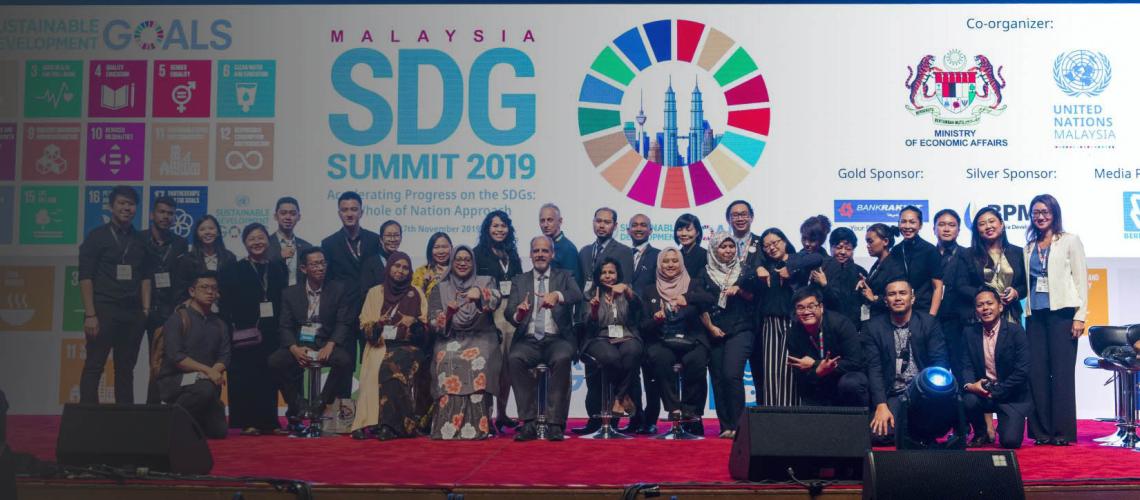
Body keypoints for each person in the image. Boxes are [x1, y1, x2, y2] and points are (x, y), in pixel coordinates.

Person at [268, 247, 354, 434]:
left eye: (323, 263)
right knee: (275, 361)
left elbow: (343, 322)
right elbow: (284, 326)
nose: (320, 268)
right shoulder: (290, 293)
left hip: (325, 342)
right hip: (301, 343)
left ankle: (321, 402)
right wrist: (294, 348)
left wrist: (331, 345)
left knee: (345, 361)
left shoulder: (338, 289)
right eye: (314, 264)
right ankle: (298, 403)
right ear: (303, 268)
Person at [1024, 194, 1087, 446]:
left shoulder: (1070, 241)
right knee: (1037, 374)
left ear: (1054, 214)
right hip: (1035, 317)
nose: (1040, 217)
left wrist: (1079, 316)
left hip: (1062, 316)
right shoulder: (1029, 246)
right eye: (1036, 212)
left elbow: (1081, 280)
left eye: (1045, 212)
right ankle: (1041, 432)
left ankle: (1061, 433)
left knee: (1061, 375)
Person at [78, 185, 150, 404]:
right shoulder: (96, 236)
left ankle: (124, 416)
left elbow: (146, 276)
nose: (126, 208)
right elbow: (85, 277)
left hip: (132, 313)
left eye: (131, 204)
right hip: (104, 309)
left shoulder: (141, 239)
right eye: (121, 203)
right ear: (111, 206)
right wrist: (90, 314)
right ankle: (89, 416)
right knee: (94, 365)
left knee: (125, 369)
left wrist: (145, 310)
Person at [507, 236, 584, 441]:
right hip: (528, 339)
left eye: (544, 251)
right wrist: (519, 314)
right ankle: (528, 422)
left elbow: (577, 295)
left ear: (552, 254)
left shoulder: (565, 276)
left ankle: (555, 423)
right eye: (536, 251)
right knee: (515, 358)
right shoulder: (519, 280)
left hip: (557, 338)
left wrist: (557, 295)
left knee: (562, 358)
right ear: (530, 254)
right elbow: (509, 312)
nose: (540, 255)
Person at [218, 223, 289, 436]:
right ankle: (247, 422)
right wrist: (231, 329)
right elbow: (226, 303)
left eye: (261, 238)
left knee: (269, 376)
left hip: (271, 331)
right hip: (244, 332)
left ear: (268, 240)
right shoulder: (234, 268)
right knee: (246, 377)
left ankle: (270, 421)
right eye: (251, 239)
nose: (257, 242)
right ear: (244, 243)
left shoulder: (278, 267)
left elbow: (283, 299)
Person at [427, 245, 502, 440]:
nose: (462, 263)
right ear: (452, 263)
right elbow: (433, 322)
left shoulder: (486, 281)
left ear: (473, 263)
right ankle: (446, 428)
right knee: (446, 359)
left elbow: (496, 299)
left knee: (479, 360)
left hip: (481, 335)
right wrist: (448, 314)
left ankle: (478, 426)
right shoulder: (440, 288)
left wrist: (479, 293)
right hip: (450, 336)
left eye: (467, 259)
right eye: (458, 259)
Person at [864, 279, 949, 443]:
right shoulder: (873, 327)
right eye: (892, 294)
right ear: (885, 301)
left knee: (931, 430)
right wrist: (881, 405)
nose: (897, 298)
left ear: (912, 298)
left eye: (902, 293)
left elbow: (940, 362)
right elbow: (874, 369)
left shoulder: (928, 323)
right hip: (895, 394)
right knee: (878, 435)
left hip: (924, 393)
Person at [356, 251, 429, 440]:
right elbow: (364, 328)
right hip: (378, 346)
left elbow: (426, 330)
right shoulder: (375, 292)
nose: (400, 271)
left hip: (409, 347)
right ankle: (378, 422)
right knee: (380, 365)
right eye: (397, 266)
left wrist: (413, 322)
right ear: (389, 268)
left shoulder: (416, 293)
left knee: (391, 366)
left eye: (405, 268)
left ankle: (390, 425)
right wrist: (379, 323)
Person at [574, 207, 635, 435]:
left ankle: (614, 416)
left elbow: (625, 284)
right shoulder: (584, 251)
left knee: (616, 361)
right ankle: (594, 419)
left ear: (615, 226)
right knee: (592, 374)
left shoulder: (624, 251)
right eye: (598, 221)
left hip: (616, 319)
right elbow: (582, 286)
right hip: (589, 319)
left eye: (607, 222)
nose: (601, 225)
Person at [642, 248, 714, 434]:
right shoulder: (650, 289)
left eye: (675, 261)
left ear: (681, 263)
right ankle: (674, 409)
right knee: (659, 358)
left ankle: (691, 412)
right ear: (659, 264)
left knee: (696, 360)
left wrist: (687, 298)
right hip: (662, 339)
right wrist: (656, 319)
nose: (670, 265)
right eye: (666, 261)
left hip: (692, 337)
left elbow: (709, 299)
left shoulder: (693, 284)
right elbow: (643, 325)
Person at [750, 228, 823, 406]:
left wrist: (790, 268)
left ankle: (791, 413)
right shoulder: (764, 265)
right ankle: (773, 411)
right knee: (771, 371)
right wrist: (759, 268)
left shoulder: (797, 259)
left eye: (775, 242)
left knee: (790, 368)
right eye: (767, 245)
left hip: (793, 322)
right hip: (769, 323)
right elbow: (746, 275)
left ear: (784, 241)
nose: (771, 247)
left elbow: (817, 258)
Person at [698, 231, 760, 438]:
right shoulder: (705, 272)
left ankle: (740, 426)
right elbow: (700, 305)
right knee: (717, 377)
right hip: (714, 331)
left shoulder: (745, 270)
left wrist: (739, 290)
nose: (728, 250)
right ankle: (726, 426)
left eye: (731, 246)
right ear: (714, 249)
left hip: (741, 328)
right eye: (723, 247)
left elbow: (755, 298)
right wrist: (710, 328)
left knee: (731, 374)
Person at [154, 271, 229, 439]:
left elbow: (224, 357)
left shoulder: (220, 324)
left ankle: (194, 420)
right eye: (204, 287)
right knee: (204, 389)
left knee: (219, 432)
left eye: (214, 288)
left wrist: (213, 371)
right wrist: (208, 371)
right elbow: (176, 357)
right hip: (176, 380)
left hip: (207, 382)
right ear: (192, 291)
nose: (210, 292)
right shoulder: (178, 319)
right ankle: (170, 422)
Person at [321, 191, 379, 397]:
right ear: (339, 213)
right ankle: (342, 409)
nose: (349, 214)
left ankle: (369, 408)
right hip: (343, 312)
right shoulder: (328, 243)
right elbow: (327, 281)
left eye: (354, 209)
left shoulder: (374, 240)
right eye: (345, 210)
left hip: (369, 311)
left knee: (371, 360)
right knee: (344, 362)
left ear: (361, 212)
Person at [961, 287, 1032, 449]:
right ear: (976, 310)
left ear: (1000, 307)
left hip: (1010, 394)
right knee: (967, 399)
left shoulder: (1016, 331)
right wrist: (971, 385)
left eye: (989, 303)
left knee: (1010, 442)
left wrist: (997, 391)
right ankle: (981, 432)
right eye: (980, 305)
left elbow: (1022, 371)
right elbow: (966, 365)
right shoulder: (969, 333)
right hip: (983, 392)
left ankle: (1005, 424)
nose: (985, 308)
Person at [472, 210, 523, 433]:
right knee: (491, 367)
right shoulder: (477, 254)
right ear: (487, 228)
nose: (499, 230)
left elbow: (520, 282)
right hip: (489, 314)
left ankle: (502, 414)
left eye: (503, 226)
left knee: (508, 369)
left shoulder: (512, 253)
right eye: (495, 226)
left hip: (511, 313)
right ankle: (487, 416)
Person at [583, 258, 644, 422]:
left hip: (626, 334)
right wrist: (594, 311)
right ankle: (624, 396)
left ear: (618, 274)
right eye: (603, 272)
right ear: (598, 275)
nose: (608, 276)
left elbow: (639, 309)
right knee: (611, 357)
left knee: (632, 353)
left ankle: (618, 399)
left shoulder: (626, 289)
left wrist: (627, 291)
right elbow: (588, 325)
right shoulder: (591, 293)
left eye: (611, 272)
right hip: (599, 337)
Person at [141, 195, 189, 403]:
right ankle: (125, 412)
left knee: (160, 363)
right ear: (152, 214)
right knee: (126, 363)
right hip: (138, 309)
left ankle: (155, 408)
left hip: (167, 311)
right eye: (162, 212)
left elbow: (181, 279)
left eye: (170, 213)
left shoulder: (180, 243)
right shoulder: (138, 239)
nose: (166, 217)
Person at [785, 287, 868, 407]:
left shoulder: (841, 324)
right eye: (800, 308)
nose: (806, 312)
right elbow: (799, 374)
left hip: (845, 377)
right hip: (818, 381)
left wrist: (815, 364)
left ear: (821, 307)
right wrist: (817, 371)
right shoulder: (793, 333)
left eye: (811, 306)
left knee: (850, 383)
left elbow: (855, 362)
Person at [623, 213, 661, 434]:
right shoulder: (622, 255)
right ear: (628, 230)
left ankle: (651, 419)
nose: (638, 228)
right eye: (634, 225)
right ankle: (635, 417)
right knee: (630, 371)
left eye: (643, 225)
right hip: (626, 322)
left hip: (650, 322)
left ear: (650, 230)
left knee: (651, 372)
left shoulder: (658, 256)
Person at [962, 207, 1027, 323]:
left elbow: (1026, 284)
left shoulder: (1018, 252)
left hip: (1011, 314)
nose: (988, 226)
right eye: (982, 224)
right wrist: (986, 295)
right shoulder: (968, 254)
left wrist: (1016, 293)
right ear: (977, 230)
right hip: (980, 316)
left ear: (1001, 224)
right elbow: (962, 286)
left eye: (992, 221)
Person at [931, 209, 973, 377]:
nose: (946, 229)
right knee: (934, 372)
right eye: (941, 224)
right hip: (931, 322)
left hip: (960, 324)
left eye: (951, 225)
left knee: (961, 371)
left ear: (959, 230)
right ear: (934, 229)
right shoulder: (926, 254)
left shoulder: (969, 255)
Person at [894, 206, 944, 316]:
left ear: (920, 225)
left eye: (912, 222)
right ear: (898, 224)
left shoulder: (930, 250)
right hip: (899, 312)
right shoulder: (895, 250)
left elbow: (938, 287)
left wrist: (931, 317)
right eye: (903, 222)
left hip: (923, 311)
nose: (907, 226)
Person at [174, 215, 237, 302]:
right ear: (197, 234)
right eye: (202, 229)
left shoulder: (229, 257)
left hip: (224, 307)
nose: (207, 232)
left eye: (211, 228)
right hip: (196, 307)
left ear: (218, 232)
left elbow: (234, 288)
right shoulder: (187, 259)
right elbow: (180, 291)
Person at [815, 227, 868, 328]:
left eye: (848, 249)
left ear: (853, 250)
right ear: (831, 247)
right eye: (839, 247)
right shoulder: (821, 270)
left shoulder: (860, 272)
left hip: (852, 326)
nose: (843, 252)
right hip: (825, 325)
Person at [857, 224, 906, 321]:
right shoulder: (877, 264)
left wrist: (875, 298)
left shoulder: (895, 268)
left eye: (870, 241)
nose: (867, 246)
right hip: (874, 319)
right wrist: (865, 285)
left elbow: (897, 298)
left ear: (885, 241)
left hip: (887, 321)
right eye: (867, 242)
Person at [267, 197, 313, 287]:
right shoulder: (266, 244)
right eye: (283, 213)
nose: (288, 217)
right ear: (275, 216)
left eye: (293, 214)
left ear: (299, 217)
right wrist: (279, 257)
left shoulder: (307, 247)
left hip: (299, 294)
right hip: (273, 293)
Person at [540, 203, 581, 284]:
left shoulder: (568, 249)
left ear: (560, 221)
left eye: (550, 220)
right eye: (542, 221)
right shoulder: (542, 246)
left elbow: (573, 285)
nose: (545, 225)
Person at [360, 220, 405, 294]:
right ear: (381, 239)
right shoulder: (369, 263)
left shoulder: (404, 261)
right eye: (389, 236)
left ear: (401, 238)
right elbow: (366, 293)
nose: (393, 239)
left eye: (396, 235)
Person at [726, 200, 764, 267]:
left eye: (744, 214)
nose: (740, 219)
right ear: (728, 220)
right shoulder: (722, 246)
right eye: (735, 215)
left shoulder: (762, 243)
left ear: (751, 217)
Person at [674, 213, 707, 277]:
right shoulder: (675, 255)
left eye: (688, 230)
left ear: (697, 232)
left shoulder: (705, 256)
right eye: (680, 230)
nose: (683, 234)